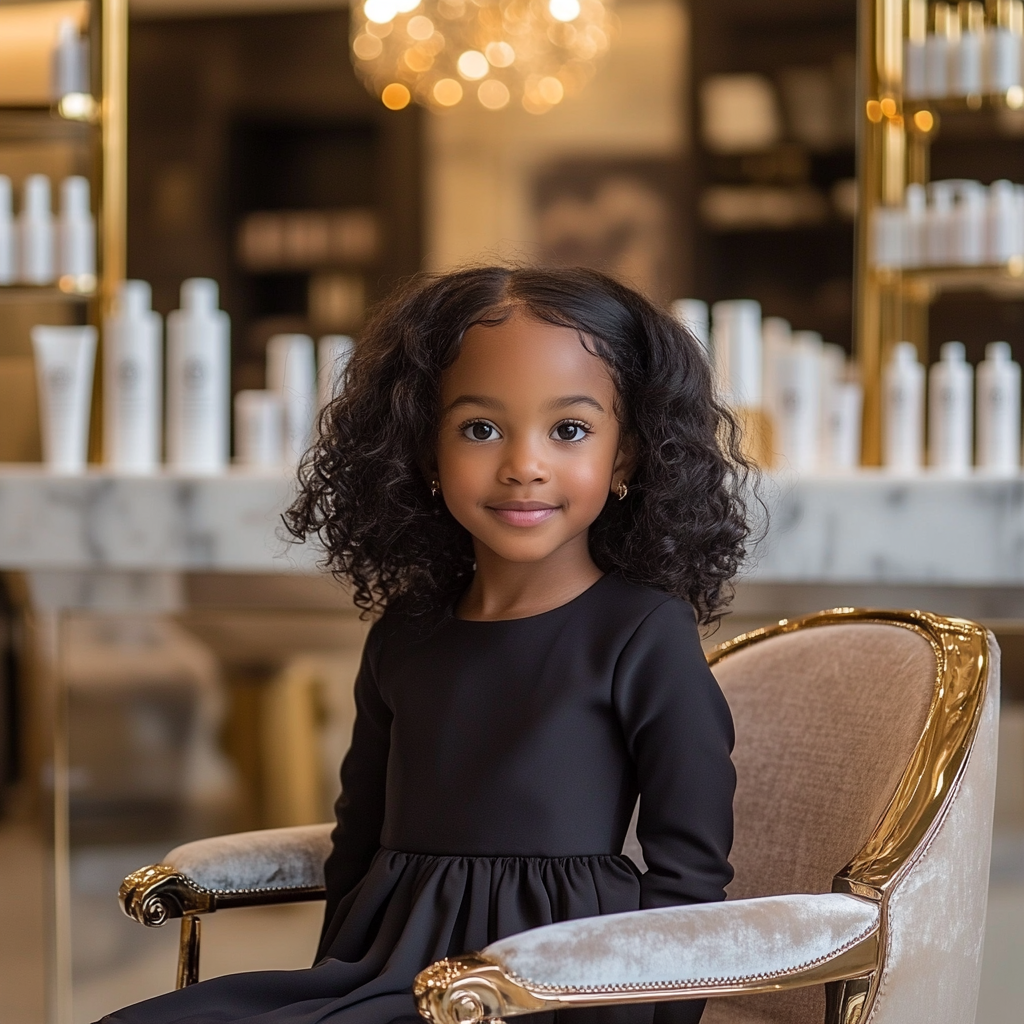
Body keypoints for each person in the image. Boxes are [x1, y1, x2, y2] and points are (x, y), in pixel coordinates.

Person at [99, 266, 750, 1024]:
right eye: (480, 428)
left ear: (628, 456)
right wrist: (329, 987)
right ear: (424, 452)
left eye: (568, 429)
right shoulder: (406, 635)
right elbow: (359, 839)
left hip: (547, 986)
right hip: (388, 974)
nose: (524, 465)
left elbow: (691, 871)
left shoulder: (644, 632)